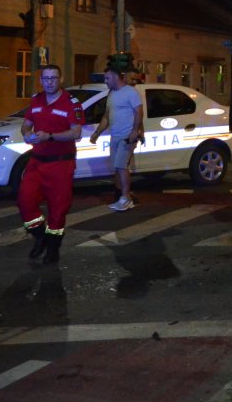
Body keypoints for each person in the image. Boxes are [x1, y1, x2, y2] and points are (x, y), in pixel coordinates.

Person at [18, 64, 84, 263]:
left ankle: (53, 250)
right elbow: (25, 124)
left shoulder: (71, 103)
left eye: (53, 78)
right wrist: (27, 135)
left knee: (58, 209)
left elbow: (76, 132)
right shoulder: (36, 100)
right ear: (41, 80)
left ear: (60, 79)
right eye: (46, 78)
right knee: (25, 201)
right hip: (37, 162)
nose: (49, 82)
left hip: (60, 164)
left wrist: (50, 137)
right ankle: (41, 237)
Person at [90, 64, 143, 211]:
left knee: (121, 165)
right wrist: (96, 134)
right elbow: (107, 117)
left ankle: (126, 198)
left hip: (126, 136)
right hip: (115, 136)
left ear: (114, 77)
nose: (105, 81)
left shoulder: (130, 92)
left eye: (107, 78)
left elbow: (139, 112)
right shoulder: (112, 94)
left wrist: (134, 131)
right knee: (116, 168)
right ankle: (123, 196)